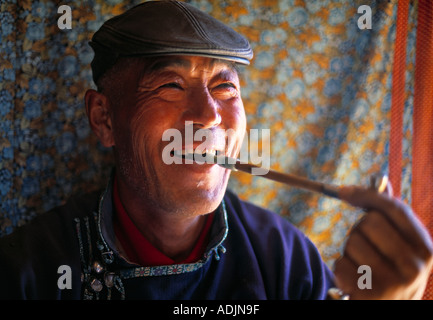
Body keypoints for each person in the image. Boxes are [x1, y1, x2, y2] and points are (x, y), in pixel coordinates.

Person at [0, 0, 432, 300]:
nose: (208, 117)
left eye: (224, 86)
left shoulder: (282, 259)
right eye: (170, 84)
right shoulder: (31, 271)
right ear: (104, 118)